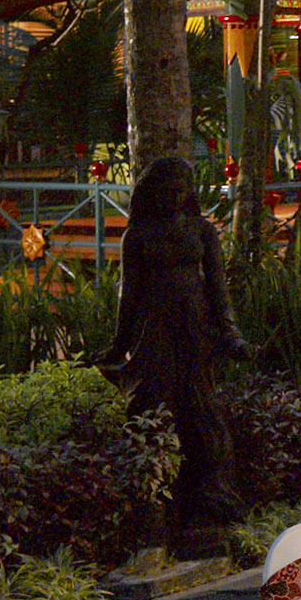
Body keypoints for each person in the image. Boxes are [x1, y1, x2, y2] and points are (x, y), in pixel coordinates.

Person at [104, 156, 246, 535]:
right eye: (167, 189)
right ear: (151, 193)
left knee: (202, 409)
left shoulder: (201, 231)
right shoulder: (137, 236)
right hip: (154, 331)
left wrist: (231, 334)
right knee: (151, 408)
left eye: (182, 189)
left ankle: (212, 500)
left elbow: (218, 290)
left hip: (195, 328)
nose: (175, 196)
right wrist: (119, 347)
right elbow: (128, 297)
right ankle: (152, 508)